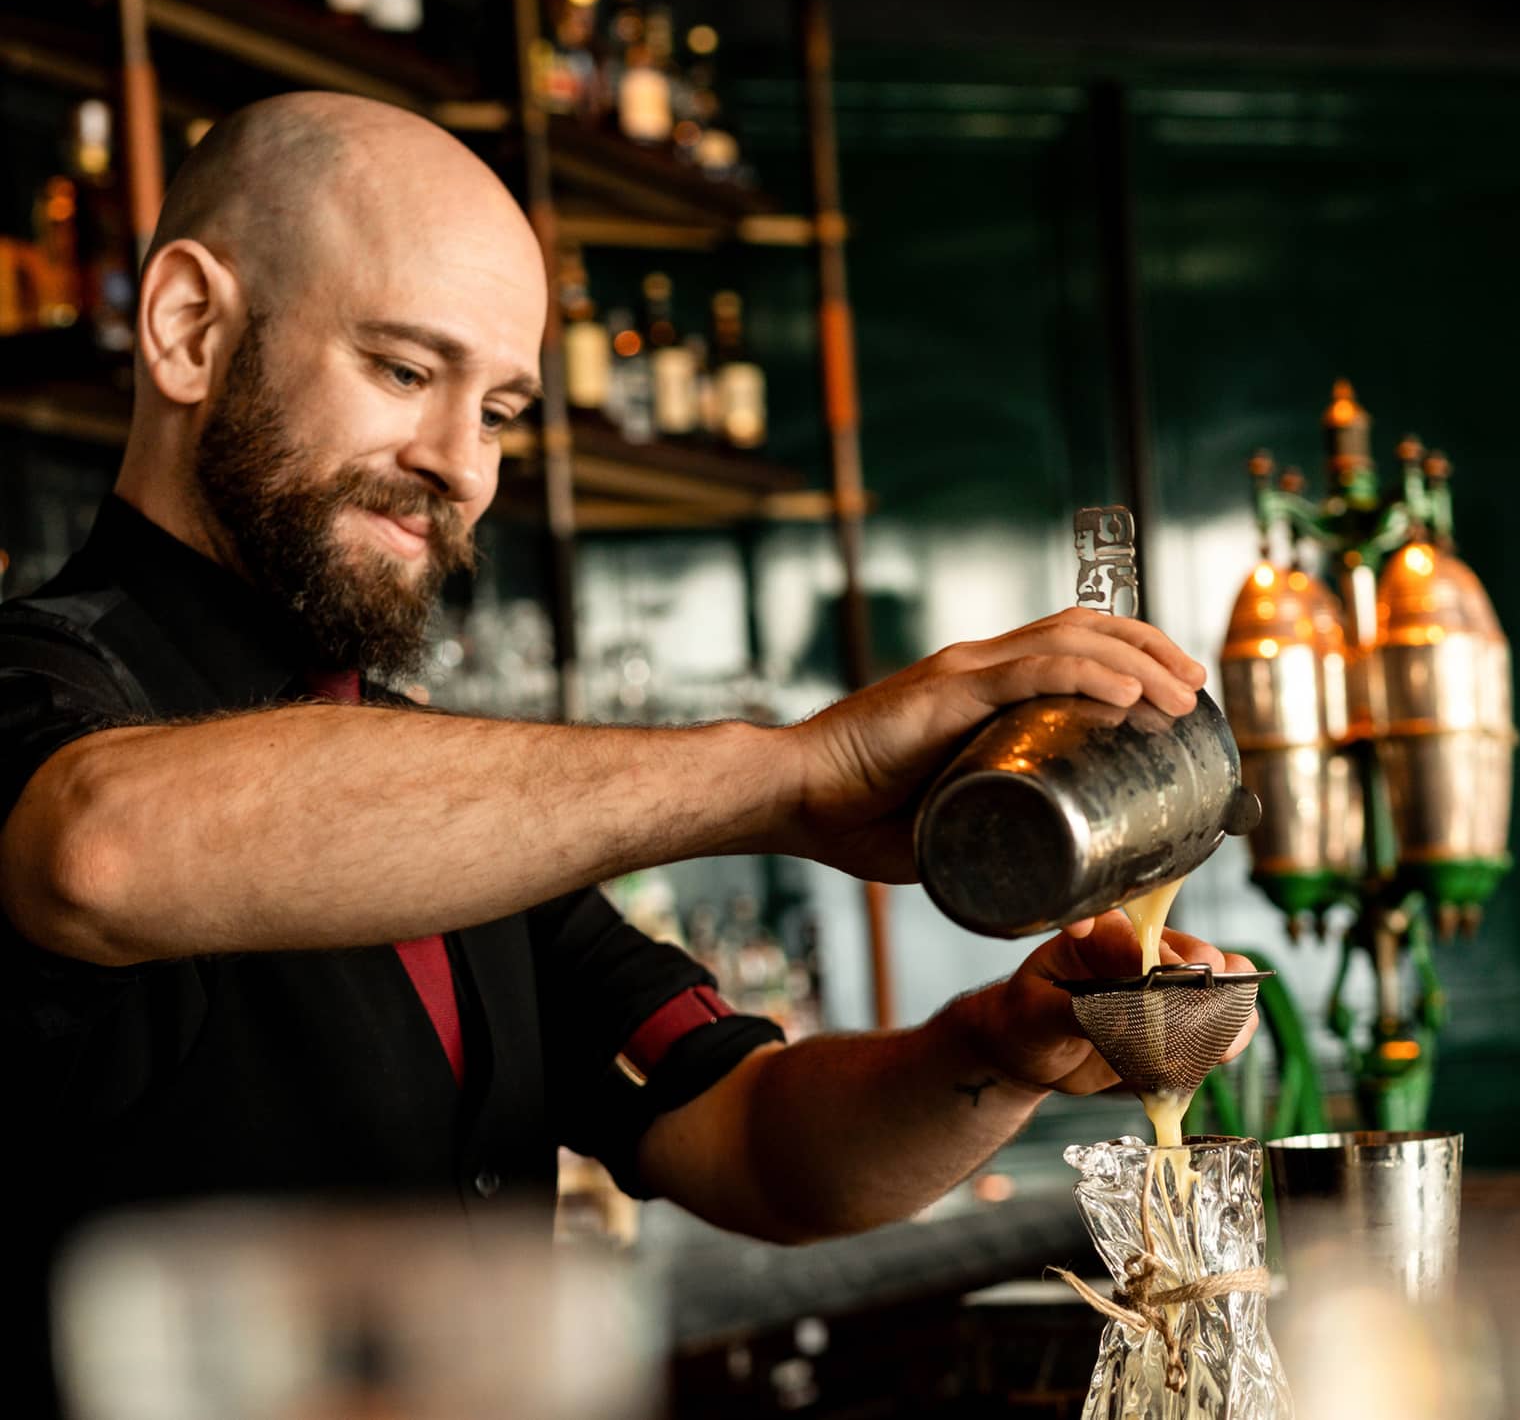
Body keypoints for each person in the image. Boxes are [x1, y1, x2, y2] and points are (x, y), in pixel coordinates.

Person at [0, 92, 1254, 1414]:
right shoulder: (39, 690)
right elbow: (105, 847)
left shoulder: (458, 798)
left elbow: (756, 1143)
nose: (460, 468)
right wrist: (789, 771)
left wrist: (1005, 1044)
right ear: (189, 329)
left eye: (496, 412)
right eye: (405, 371)